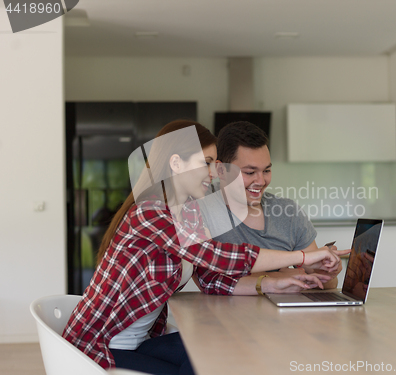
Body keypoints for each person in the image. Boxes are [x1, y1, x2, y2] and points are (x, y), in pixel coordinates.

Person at [62, 120, 341, 375]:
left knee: (216, 347)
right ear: (177, 163)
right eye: (206, 162)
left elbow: (212, 279)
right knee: (201, 366)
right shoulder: (149, 213)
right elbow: (219, 258)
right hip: (99, 346)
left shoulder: (189, 215)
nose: (212, 172)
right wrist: (304, 256)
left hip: (141, 342)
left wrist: (274, 285)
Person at [199, 121, 350, 295]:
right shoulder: (200, 209)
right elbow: (208, 279)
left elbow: (326, 283)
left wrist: (327, 271)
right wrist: (278, 276)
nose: (261, 181)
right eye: (249, 172)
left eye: (266, 171)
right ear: (221, 170)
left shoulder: (289, 212)